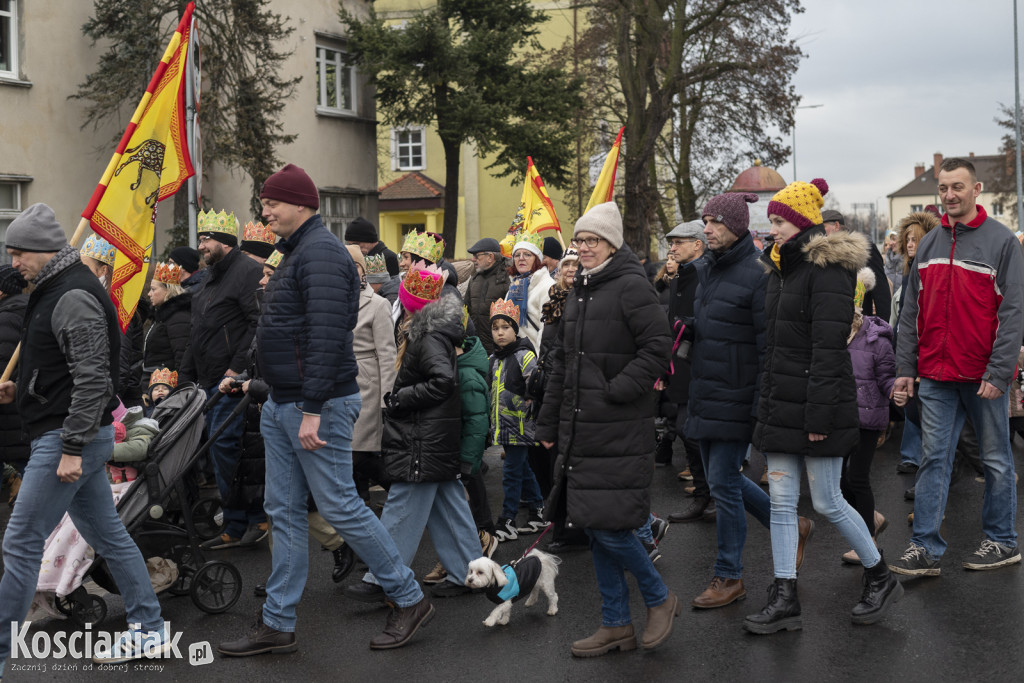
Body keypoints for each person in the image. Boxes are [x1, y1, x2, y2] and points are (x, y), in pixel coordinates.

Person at [218, 164, 431, 656]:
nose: (264, 210)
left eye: (272, 202)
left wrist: (312, 408)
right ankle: (277, 622)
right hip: (282, 401)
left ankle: (408, 597)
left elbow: (328, 337)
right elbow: (286, 330)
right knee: (284, 512)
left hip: (316, 405)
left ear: (302, 204)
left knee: (340, 505)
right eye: (264, 203)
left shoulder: (320, 254)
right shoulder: (295, 253)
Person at [0, 204, 169, 674]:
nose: (13, 263)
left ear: (45, 249)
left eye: (19, 253)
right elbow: (63, 368)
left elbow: (94, 379)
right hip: (65, 434)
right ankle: (151, 631)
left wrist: (73, 447)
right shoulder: (55, 287)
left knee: (19, 543)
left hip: (65, 440)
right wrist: (21, 389)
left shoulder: (71, 292)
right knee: (109, 537)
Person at [745, 178, 902, 635]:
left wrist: (816, 416)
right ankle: (784, 595)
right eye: (771, 221)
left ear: (801, 223)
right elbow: (776, 349)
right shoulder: (779, 270)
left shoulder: (829, 270)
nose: (772, 229)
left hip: (819, 406)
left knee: (831, 501)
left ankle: (880, 575)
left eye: (779, 221)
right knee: (781, 504)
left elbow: (828, 349)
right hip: (782, 403)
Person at [536, 202, 677, 657]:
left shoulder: (632, 286)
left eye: (592, 240)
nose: (583, 248)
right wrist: (548, 419)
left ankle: (658, 597)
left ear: (612, 244)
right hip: (581, 428)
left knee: (612, 527)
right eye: (580, 241)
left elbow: (658, 349)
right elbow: (561, 362)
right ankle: (616, 623)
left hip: (617, 427)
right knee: (593, 525)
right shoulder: (579, 289)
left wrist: (618, 390)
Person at [890, 157, 1024, 576]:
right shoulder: (929, 245)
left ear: (976, 188)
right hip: (935, 375)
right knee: (934, 460)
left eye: (957, 187)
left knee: (997, 460)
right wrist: (905, 368)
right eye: (944, 188)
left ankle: (1002, 541)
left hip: (983, 375)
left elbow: (1015, 312)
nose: (949, 195)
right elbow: (911, 312)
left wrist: (999, 372)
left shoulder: (1003, 242)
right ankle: (924, 548)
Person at [686, 193, 804, 610]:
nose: (708, 229)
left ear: (736, 226)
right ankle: (790, 523)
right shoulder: (706, 270)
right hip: (706, 391)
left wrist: (758, 405)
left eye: (715, 222)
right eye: (706, 221)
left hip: (737, 397)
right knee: (724, 480)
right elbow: (718, 328)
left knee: (723, 485)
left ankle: (729, 575)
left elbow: (765, 346)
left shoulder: (757, 274)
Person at [346, 261, 481, 601]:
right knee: (448, 506)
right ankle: (469, 571)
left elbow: (443, 381)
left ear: (410, 305)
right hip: (432, 436)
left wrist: (401, 397)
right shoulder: (431, 333)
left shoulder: (428, 337)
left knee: (401, 508)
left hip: (424, 438)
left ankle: (384, 579)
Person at [178, 209, 266, 549]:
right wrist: (185, 376)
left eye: (206, 239)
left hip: (230, 383)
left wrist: (236, 368)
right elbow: (198, 330)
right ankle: (245, 519)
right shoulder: (210, 275)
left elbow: (256, 323)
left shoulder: (247, 271)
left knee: (229, 451)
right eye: (200, 239)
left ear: (226, 242)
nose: (201, 246)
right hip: (206, 381)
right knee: (223, 454)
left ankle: (241, 522)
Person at [839, 268, 896, 563]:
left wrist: (894, 391)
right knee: (836, 481)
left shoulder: (876, 339)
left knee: (858, 477)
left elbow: (887, 377)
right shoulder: (831, 335)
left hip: (868, 417)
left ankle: (868, 542)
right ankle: (871, 518)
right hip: (839, 416)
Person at [660, 220, 712, 520]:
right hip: (679, 365)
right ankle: (705, 496)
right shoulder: (679, 276)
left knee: (692, 430)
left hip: (702, 365)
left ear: (697, 244)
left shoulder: (706, 275)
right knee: (684, 429)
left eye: (679, 241)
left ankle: (715, 494)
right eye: (672, 242)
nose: (672, 247)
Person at [488, 299, 548, 542]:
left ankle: (508, 519)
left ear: (515, 329)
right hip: (503, 427)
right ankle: (537, 510)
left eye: (505, 327)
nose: (500, 332)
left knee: (511, 473)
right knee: (522, 469)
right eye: (495, 328)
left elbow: (533, 391)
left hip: (521, 427)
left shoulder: (525, 356)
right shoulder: (492, 359)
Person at [346, 245, 397, 509]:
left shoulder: (378, 304)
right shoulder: (335, 301)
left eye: (354, 266)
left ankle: (400, 492)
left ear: (363, 270)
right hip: (342, 387)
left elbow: (388, 354)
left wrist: (386, 399)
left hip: (367, 387)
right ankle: (361, 504)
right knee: (352, 453)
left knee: (360, 453)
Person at [890, 211, 939, 475]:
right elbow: (902, 316)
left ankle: (930, 463)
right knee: (910, 404)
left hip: (924, 348)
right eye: (908, 239)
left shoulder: (928, 271)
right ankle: (913, 456)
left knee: (924, 409)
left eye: (916, 240)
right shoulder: (907, 270)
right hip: (907, 345)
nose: (910, 244)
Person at [80, 234, 148, 408]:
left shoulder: (116, 308)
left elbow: (120, 364)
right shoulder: (99, 302)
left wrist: (108, 404)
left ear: (103, 271)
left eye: (85, 267)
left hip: (119, 403)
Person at [821, 209, 891, 321]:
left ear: (836, 225)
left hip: (859, 324)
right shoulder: (822, 253)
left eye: (823, 227)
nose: (820, 232)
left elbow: (881, 292)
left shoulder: (863, 248)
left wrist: (882, 328)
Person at [0, 264, 29, 503]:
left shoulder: (6, 318)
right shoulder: (29, 310)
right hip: (24, 409)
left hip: (9, 410)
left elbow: (3, 364)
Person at [504, 231, 554, 353]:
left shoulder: (548, 287)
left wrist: (536, 363)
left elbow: (546, 330)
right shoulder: (513, 287)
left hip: (534, 359)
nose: (521, 258)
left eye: (527, 254)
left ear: (537, 259)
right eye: (517, 255)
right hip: (514, 358)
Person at [464, 237, 510, 354]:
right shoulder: (474, 279)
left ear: (490, 257)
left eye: (477, 256)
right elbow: (466, 310)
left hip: (499, 349)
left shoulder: (507, 279)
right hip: (476, 348)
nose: (473, 259)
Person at [143, 261, 191, 374]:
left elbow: (182, 358)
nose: (149, 294)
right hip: (156, 383)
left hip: (166, 385)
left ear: (168, 290)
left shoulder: (178, 318)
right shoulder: (160, 317)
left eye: (153, 289)